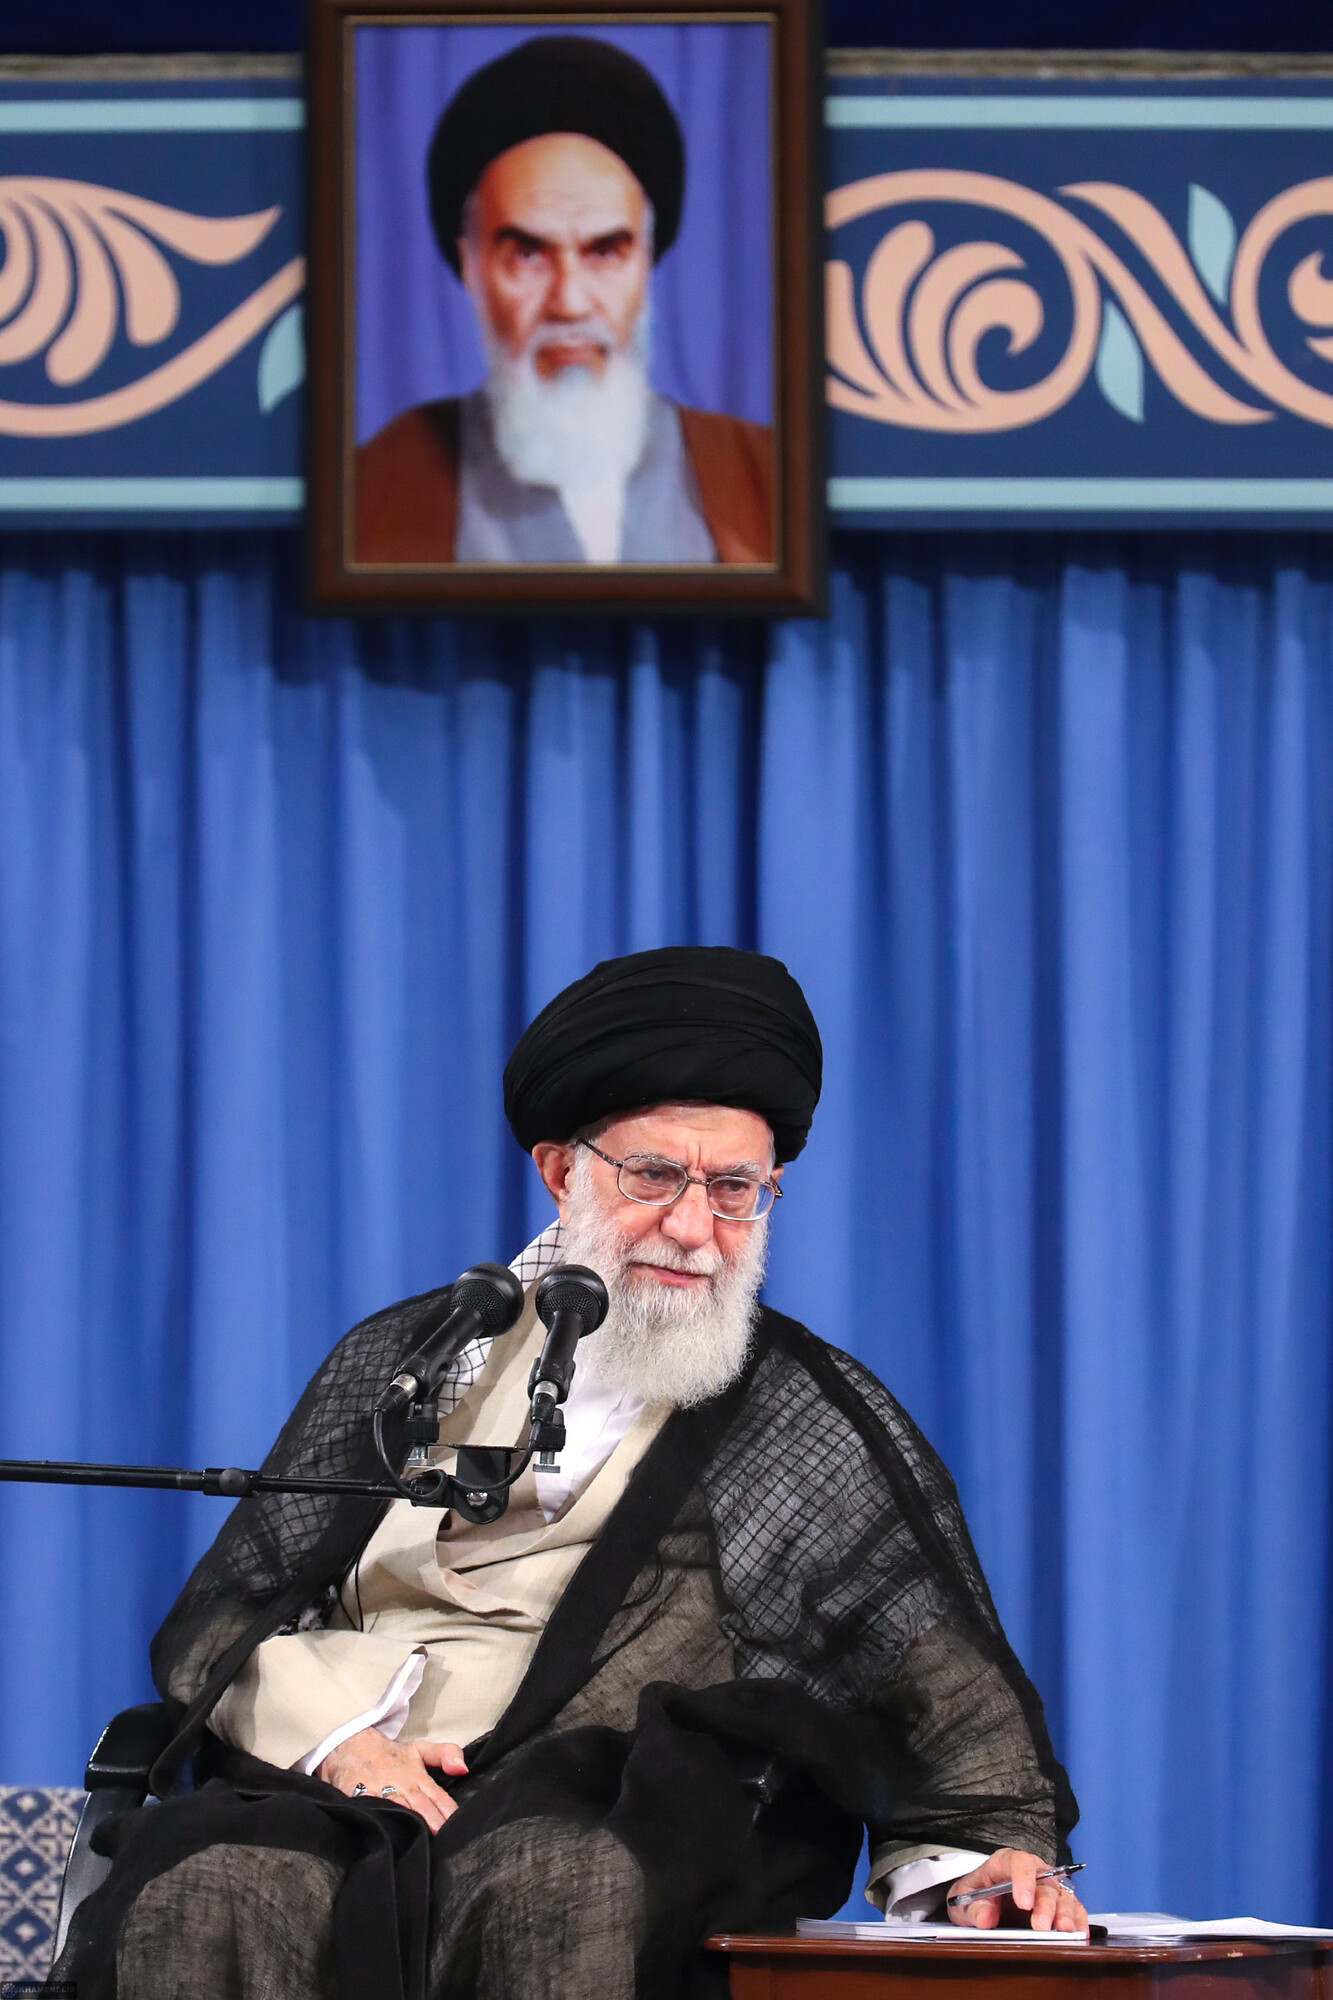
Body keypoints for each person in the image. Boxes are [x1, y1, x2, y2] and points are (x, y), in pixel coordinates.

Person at [59, 946, 1082, 2000]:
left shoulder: (792, 1407)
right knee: (210, 1888)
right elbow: (234, 1610)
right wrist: (339, 1738)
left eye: (735, 1189)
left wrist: (982, 1856)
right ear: (560, 1171)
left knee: (554, 1881)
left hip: (614, 1807)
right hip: (354, 1786)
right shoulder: (412, 1353)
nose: (693, 1228)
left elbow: (930, 1670)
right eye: (655, 1176)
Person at [354, 37, 775, 567]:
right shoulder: (378, 488)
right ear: (472, 266)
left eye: (605, 252)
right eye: (528, 255)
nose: (570, 303)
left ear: (646, 261)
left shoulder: (764, 476)